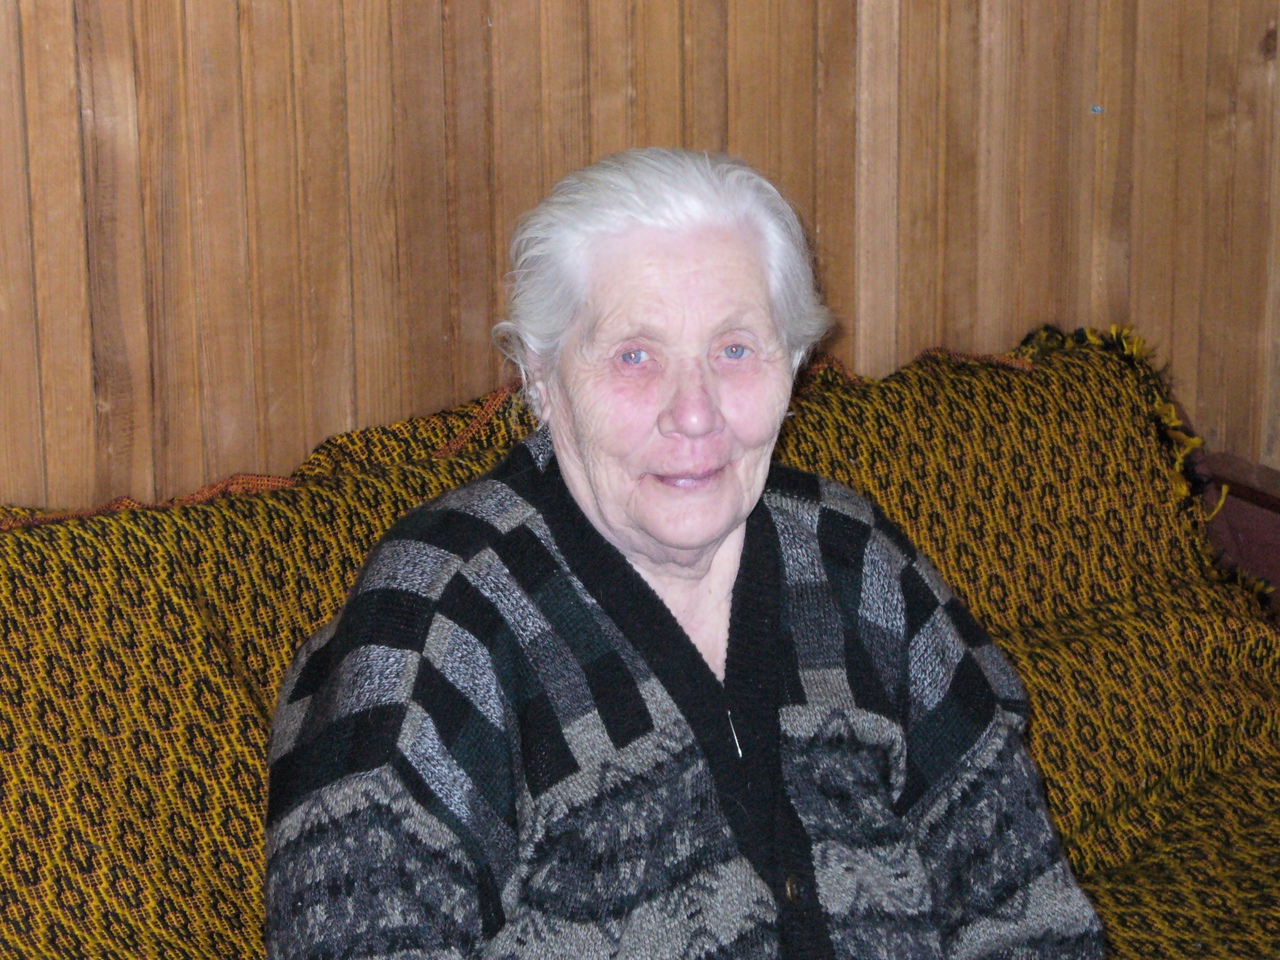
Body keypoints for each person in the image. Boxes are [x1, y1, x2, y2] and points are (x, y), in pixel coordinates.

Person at [265, 149, 1103, 959]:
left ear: (793, 363)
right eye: (635, 356)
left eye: (734, 350)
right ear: (542, 380)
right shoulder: (439, 619)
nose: (695, 414)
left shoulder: (851, 559)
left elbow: (1027, 911)